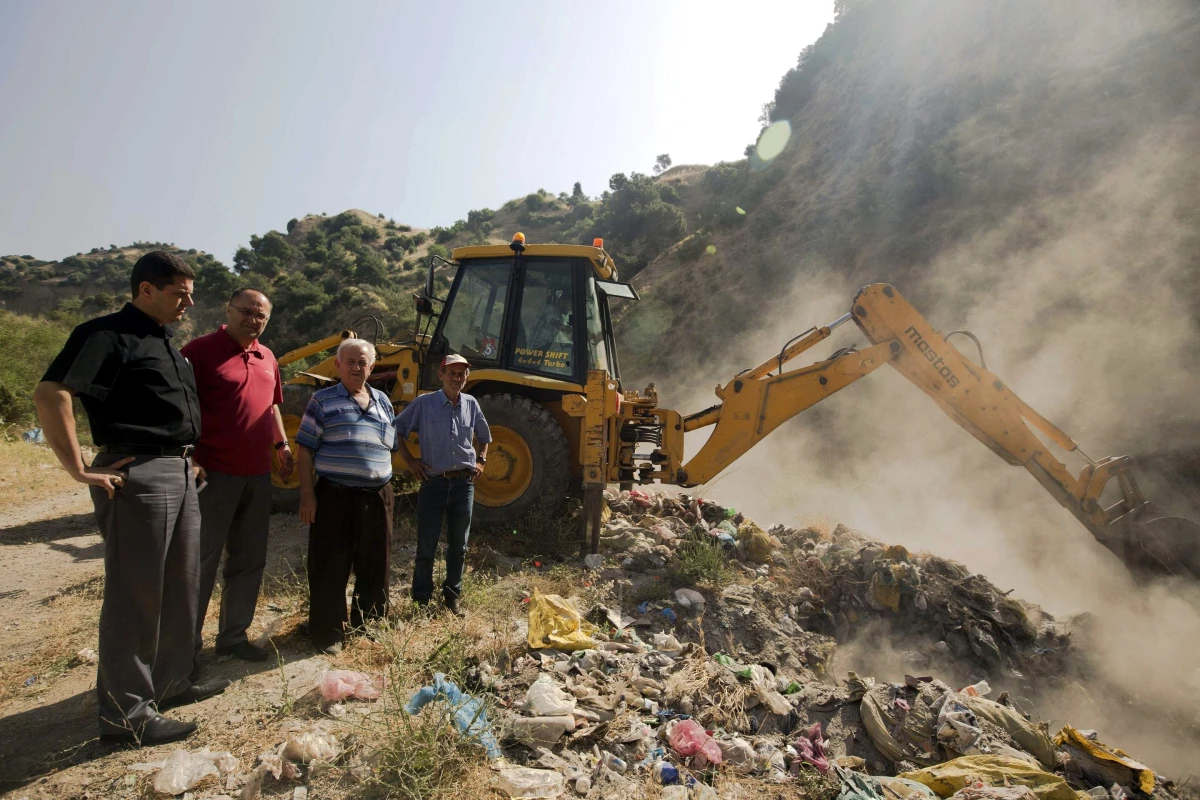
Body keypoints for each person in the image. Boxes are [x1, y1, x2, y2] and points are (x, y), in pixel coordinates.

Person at [33, 251, 229, 747]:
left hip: (182, 471)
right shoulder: (106, 334)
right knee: (136, 597)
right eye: (179, 292)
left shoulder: (165, 340)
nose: (188, 301)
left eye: (190, 292)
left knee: (180, 588)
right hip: (138, 474)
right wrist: (79, 467)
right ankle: (126, 716)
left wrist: (189, 456)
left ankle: (169, 684)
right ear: (145, 289)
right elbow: (52, 392)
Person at [180, 289, 295, 673]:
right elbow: (179, 406)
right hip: (212, 473)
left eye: (260, 315)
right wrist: (189, 456)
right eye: (246, 312)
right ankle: (183, 650)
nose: (253, 319)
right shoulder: (198, 352)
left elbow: (272, 404)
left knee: (248, 559)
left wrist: (281, 444)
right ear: (227, 310)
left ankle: (232, 638)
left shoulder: (267, 357)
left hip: (257, 474)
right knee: (200, 561)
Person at [294, 338, 398, 654]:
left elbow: (388, 447)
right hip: (334, 496)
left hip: (378, 497)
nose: (356, 367)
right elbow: (304, 450)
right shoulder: (322, 401)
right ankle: (328, 633)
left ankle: (367, 625)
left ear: (372, 366)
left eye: (362, 362)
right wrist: (308, 495)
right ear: (338, 365)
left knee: (375, 564)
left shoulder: (383, 401)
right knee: (329, 564)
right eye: (349, 361)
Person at [395, 354, 491, 616]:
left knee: (459, 546)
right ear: (441, 375)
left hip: (463, 484)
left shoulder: (471, 404)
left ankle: (452, 598)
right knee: (426, 545)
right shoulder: (424, 403)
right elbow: (398, 430)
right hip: (433, 482)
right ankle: (421, 600)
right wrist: (409, 461)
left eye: (462, 374)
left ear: (466, 377)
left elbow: (484, 436)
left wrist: (481, 460)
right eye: (452, 373)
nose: (457, 378)